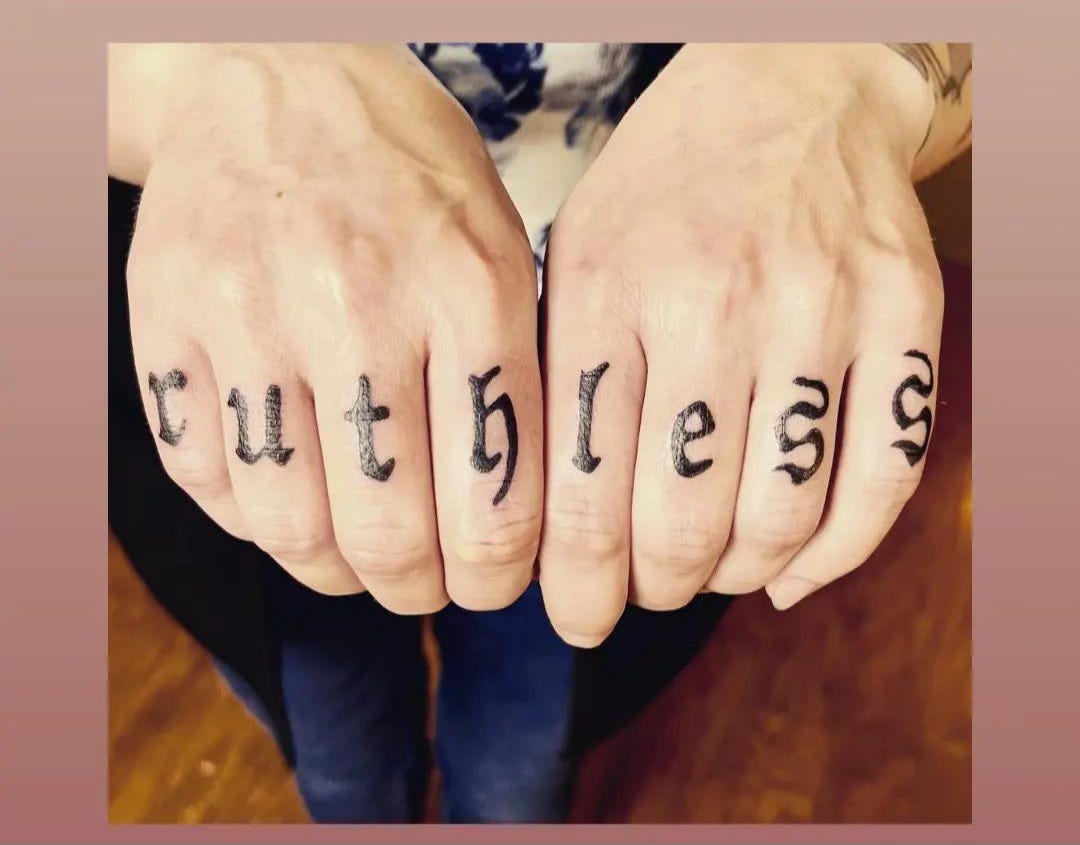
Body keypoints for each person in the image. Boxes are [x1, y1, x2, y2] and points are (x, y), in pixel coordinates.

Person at [108, 42, 972, 822]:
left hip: (655, 376)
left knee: (522, 758)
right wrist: (194, 72)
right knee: (337, 747)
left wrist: (841, 78)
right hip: (250, 352)